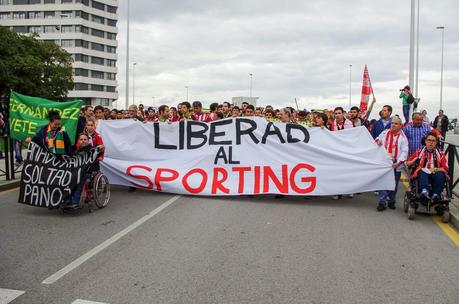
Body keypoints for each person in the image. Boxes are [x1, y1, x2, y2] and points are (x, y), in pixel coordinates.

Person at [375, 116, 409, 211]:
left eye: (396, 123)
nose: (393, 125)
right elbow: (378, 138)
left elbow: (404, 151)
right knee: (383, 182)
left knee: (393, 183)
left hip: (395, 163)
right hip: (384, 163)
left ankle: (391, 201)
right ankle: (382, 202)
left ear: (400, 126)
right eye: (392, 123)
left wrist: (398, 163)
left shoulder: (403, 138)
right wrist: (378, 141)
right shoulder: (385, 133)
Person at [406, 132, 448, 202]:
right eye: (429, 140)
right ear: (425, 141)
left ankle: (436, 194)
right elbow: (407, 163)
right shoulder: (419, 152)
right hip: (422, 174)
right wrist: (414, 160)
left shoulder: (440, 154)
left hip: (436, 173)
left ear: (436, 143)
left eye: (433, 141)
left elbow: (446, 168)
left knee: (441, 175)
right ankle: (424, 191)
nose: (431, 142)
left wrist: (435, 169)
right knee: (422, 171)